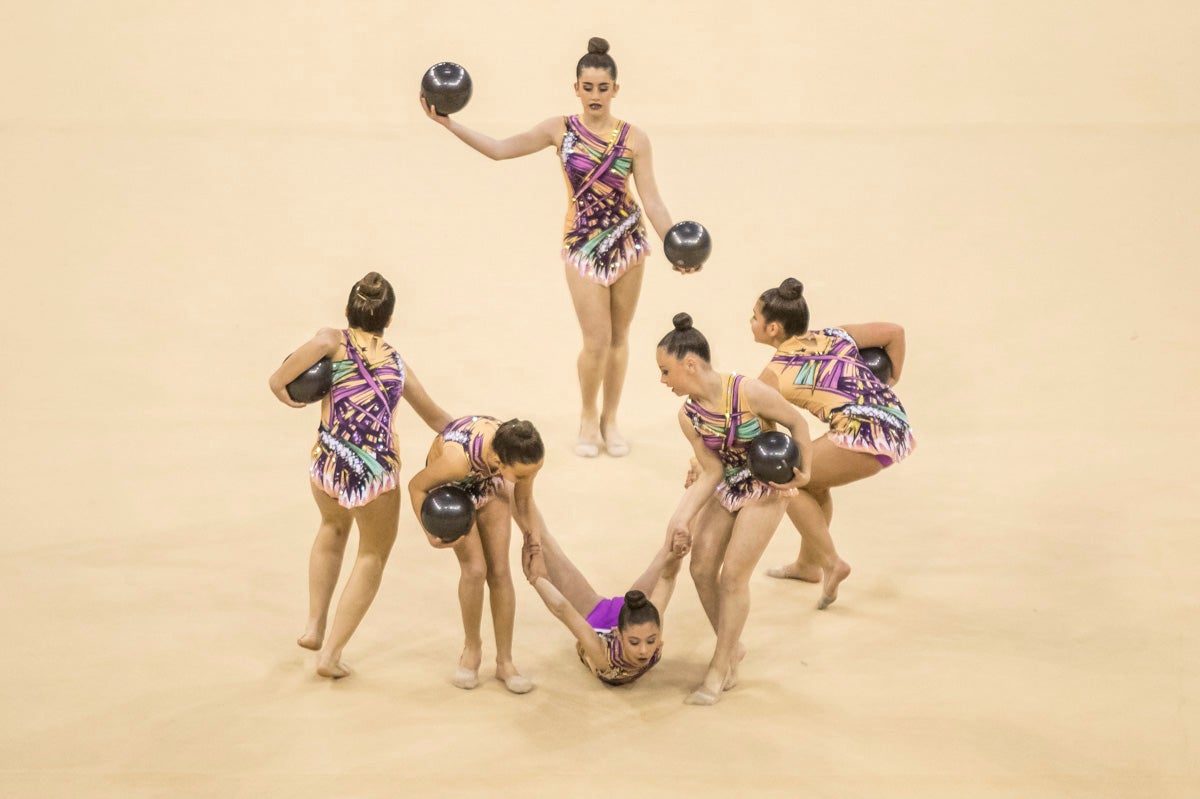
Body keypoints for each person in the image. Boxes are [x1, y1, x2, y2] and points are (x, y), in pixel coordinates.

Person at [421, 36, 693, 459]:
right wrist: (450, 125)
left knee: (619, 338)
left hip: (628, 242)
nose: (595, 95)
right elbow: (500, 150)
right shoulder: (559, 130)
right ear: (576, 88)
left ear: (616, 89)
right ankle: (587, 415)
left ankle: (610, 420)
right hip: (582, 244)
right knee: (596, 340)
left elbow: (653, 201)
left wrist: (675, 247)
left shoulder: (634, 138)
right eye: (588, 87)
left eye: (604, 88)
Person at [268, 272, 451, 679]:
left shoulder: (330, 341)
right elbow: (437, 418)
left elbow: (277, 381)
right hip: (375, 475)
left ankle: (314, 627)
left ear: (347, 310)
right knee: (371, 555)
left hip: (329, 463)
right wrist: (475, 432)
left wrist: (288, 396)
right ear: (390, 319)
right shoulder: (397, 363)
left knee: (332, 527)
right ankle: (330, 654)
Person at [657, 313, 816, 705]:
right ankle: (732, 646)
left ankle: (719, 665)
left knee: (733, 577)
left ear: (689, 364)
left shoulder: (748, 392)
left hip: (766, 487)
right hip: (727, 483)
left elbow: (797, 423)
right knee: (700, 569)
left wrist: (805, 472)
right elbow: (711, 471)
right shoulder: (689, 416)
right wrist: (681, 518)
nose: (663, 380)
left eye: (666, 371)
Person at [749, 278, 914, 602]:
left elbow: (751, 418)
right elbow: (895, 332)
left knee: (786, 479)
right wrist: (892, 378)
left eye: (755, 317)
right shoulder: (836, 335)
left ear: (773, 328)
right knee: (813, 485)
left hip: (862, 433)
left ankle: (831, 562)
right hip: (896, 424)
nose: (751, 322)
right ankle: (808, 566)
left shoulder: (774, 373)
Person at [409, 416, 550, 694]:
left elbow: (523, 500)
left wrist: (533, 546)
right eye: (521, 475)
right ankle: (471, 650)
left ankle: (505, 662)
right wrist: (428, 529)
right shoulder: (455, 461)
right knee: (475, 570)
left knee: (500, 572)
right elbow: (416, 486)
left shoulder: (523, 457)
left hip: (488, 482)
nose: (526, 479)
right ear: (499, 460)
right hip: (451, 487)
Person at [521, 526, 690, 686]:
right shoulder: (604, 656)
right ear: (618, 634)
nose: (644, 651)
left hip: (632, 613)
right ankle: (513, 503)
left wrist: (678, 553)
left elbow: (668, 577)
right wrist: (535, 579)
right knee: (542, 541)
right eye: (634, 643)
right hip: (596, 621)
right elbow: (562, 609)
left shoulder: (650, 622)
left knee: (673, 544)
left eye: (651, 640)